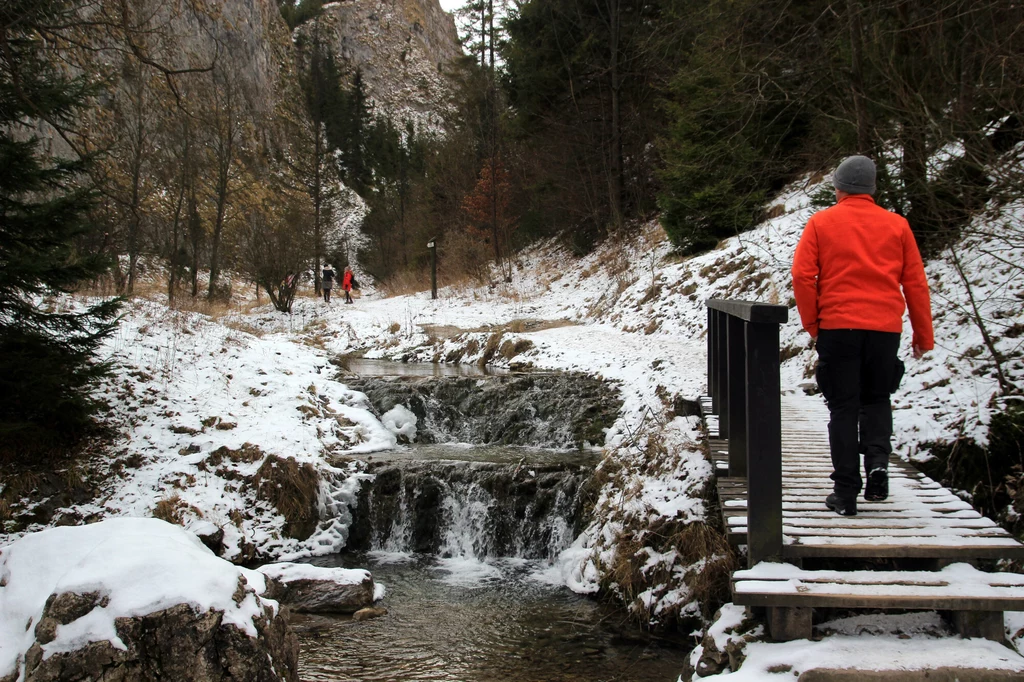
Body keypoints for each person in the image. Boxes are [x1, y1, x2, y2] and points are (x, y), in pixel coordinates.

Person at [791, 155, 934, 516]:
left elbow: (802, 276)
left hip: (838, 327)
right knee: (876, 399)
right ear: (872, 188)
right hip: (885, 330)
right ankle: (878, 464)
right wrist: (923, 334)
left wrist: (813, 324)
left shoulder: (821, 223)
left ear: (838, 187)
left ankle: (845, 494)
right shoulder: (897, 226)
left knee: (843, 408)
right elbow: (915, 282)